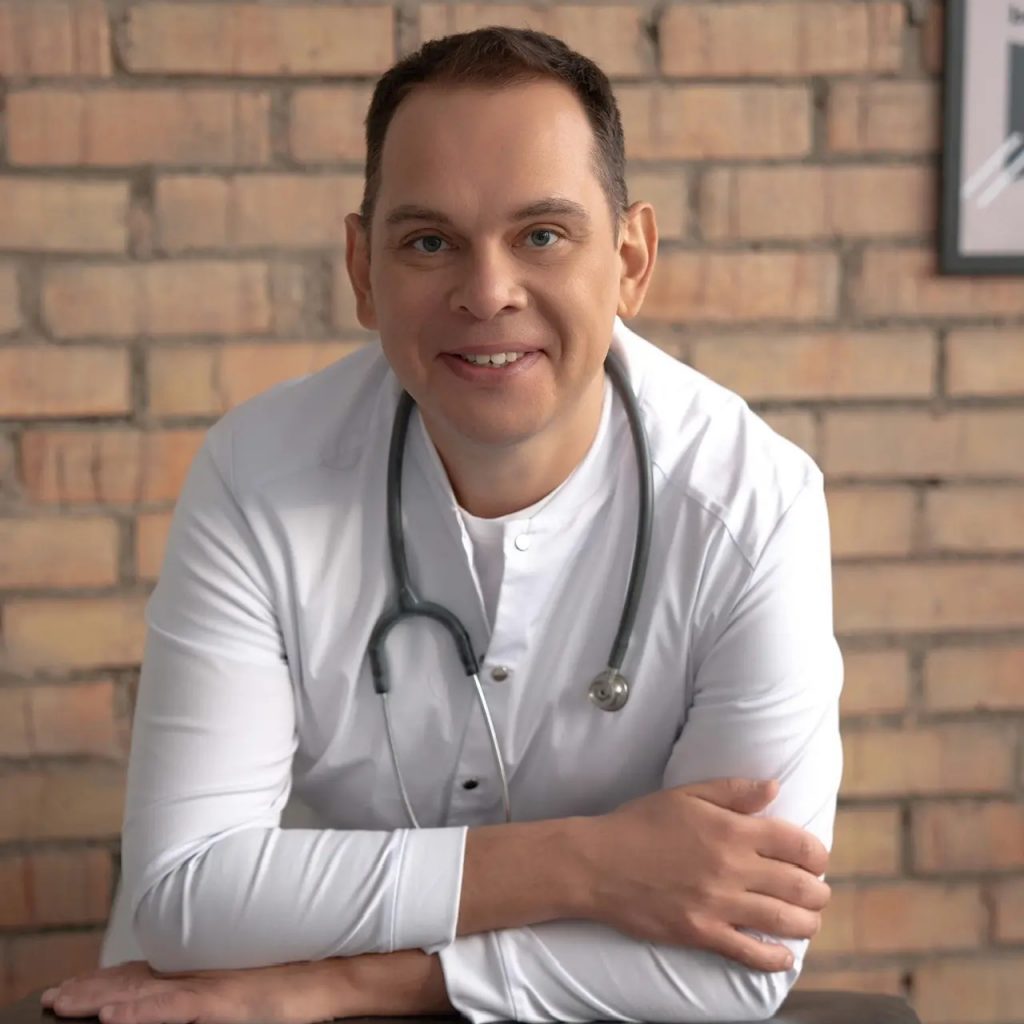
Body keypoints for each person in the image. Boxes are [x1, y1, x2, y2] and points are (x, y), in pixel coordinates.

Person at [41, 26, 842, 1024]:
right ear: (361, 269)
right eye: (429, 242)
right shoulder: (256, 476)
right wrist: (591, 863)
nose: (488, 292)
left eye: (541, 235)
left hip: (260, 992)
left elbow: (742, 961)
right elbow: (186, 896)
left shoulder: (752, 505)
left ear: (631, 259)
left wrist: (334, 982)